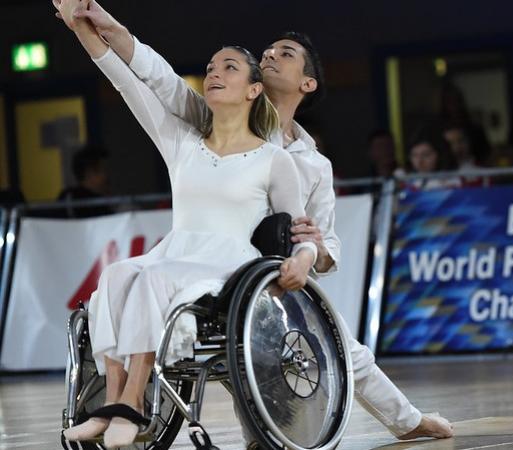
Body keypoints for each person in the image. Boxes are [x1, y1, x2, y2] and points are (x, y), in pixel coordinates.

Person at [57, 0, 453, 442]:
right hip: (209, 266)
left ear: (307, 82)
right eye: (265, 52)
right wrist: (104, 27)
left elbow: (325, 243)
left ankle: (408, 421)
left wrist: (312, 251)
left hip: (268, 274)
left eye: (284, 54)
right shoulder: (209, 120)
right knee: (133, 283)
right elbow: (154, 77)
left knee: (344, 348)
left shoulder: (310, 163)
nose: (269, 56)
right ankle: (123, 406)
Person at [55, 1, 318, 448]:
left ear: (254, 89)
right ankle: (113, 402)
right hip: (178, 251)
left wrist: (306, 259)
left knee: (152, 278)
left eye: (229, 67)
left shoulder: (275, 160)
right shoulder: (183, 142)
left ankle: (134, 404)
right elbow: (124, 81)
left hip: (229, 265)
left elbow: (297, 235)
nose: (214, 72)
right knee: (118, 275)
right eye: (211, 67)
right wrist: (78, 25)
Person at [57, 144, 113, 217]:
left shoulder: (67, 198)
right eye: (103, 170)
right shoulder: (96, 205)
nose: (106, 176)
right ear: (89, 173)